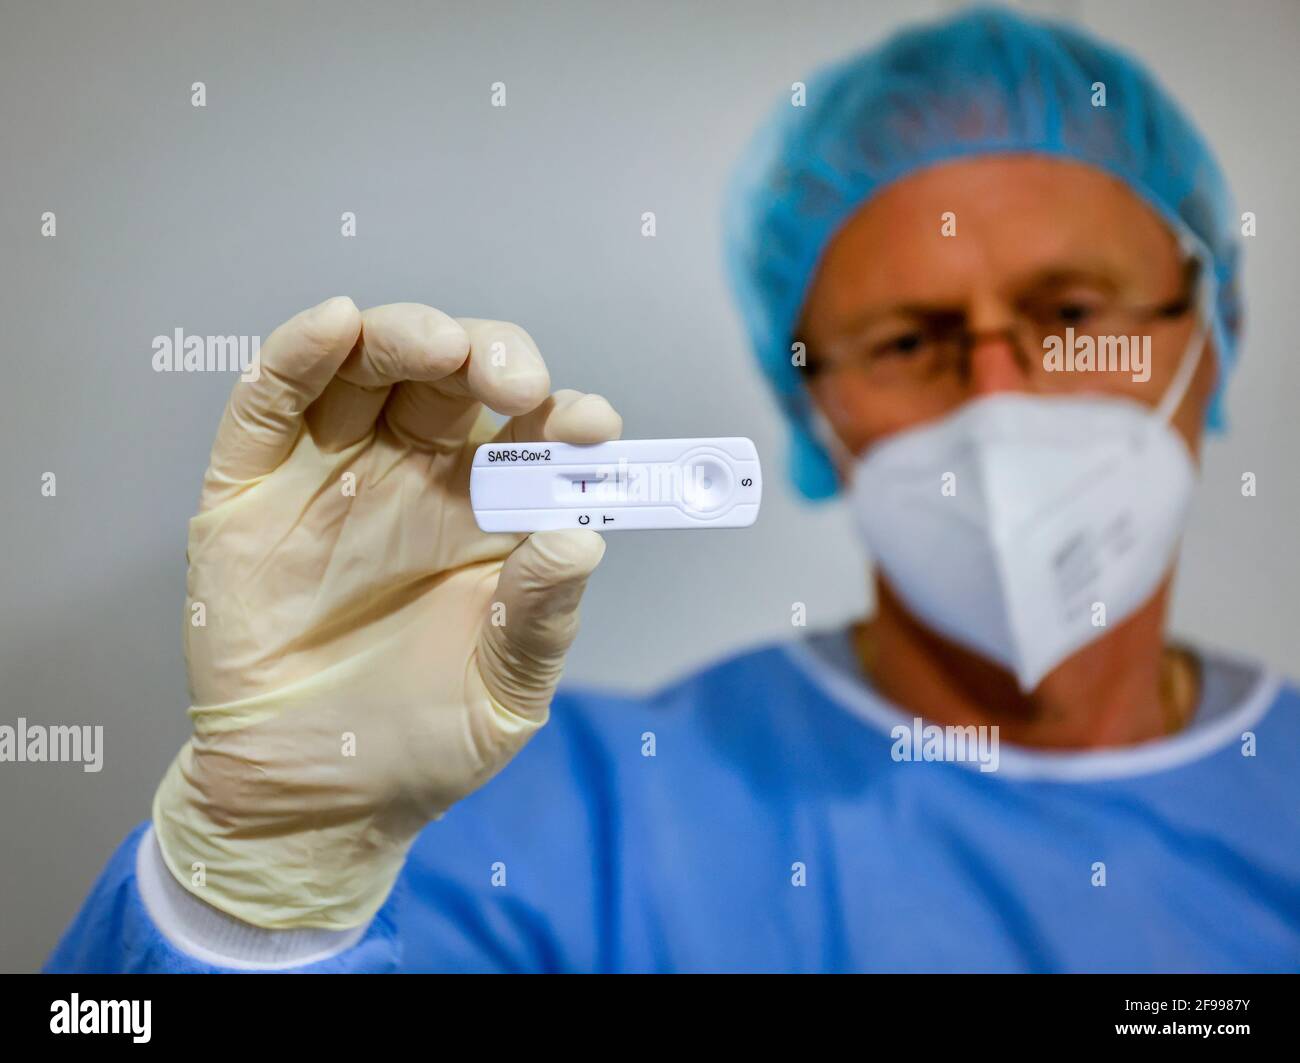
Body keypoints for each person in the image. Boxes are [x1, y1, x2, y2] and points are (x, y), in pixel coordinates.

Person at [47, 6, 1298, 973]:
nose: (996, 394)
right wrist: (255, 894)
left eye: (1070, 315)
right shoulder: (569, 817)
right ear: (811, 410)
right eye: (910, 341)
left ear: (1214, 334)